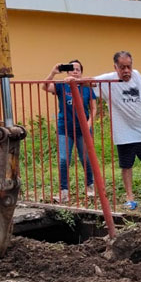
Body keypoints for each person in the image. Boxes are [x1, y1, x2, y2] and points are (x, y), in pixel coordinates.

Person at [95, 51, 141, 210]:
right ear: (115, 67)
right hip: (124, 131)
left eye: (129, 67)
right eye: (122, 67)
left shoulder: (137, 75)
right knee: (126, 165)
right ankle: (129, 197)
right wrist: (73, 80)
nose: (126, 71)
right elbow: (87, 83)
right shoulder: (107, 81)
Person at [41, 59, 97, 202]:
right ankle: (64, 191)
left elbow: (94, 108)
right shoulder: (62, 86)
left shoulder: (87, 87)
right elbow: (45, 87)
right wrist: (53, 73)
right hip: (64, 128)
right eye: (72, 69)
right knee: (64, 159)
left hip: (82, 129)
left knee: (85, 158)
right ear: (67, 72)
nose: (75, 71)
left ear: (81, 73)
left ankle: (90, 186)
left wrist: (89, 123)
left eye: (78, 69)